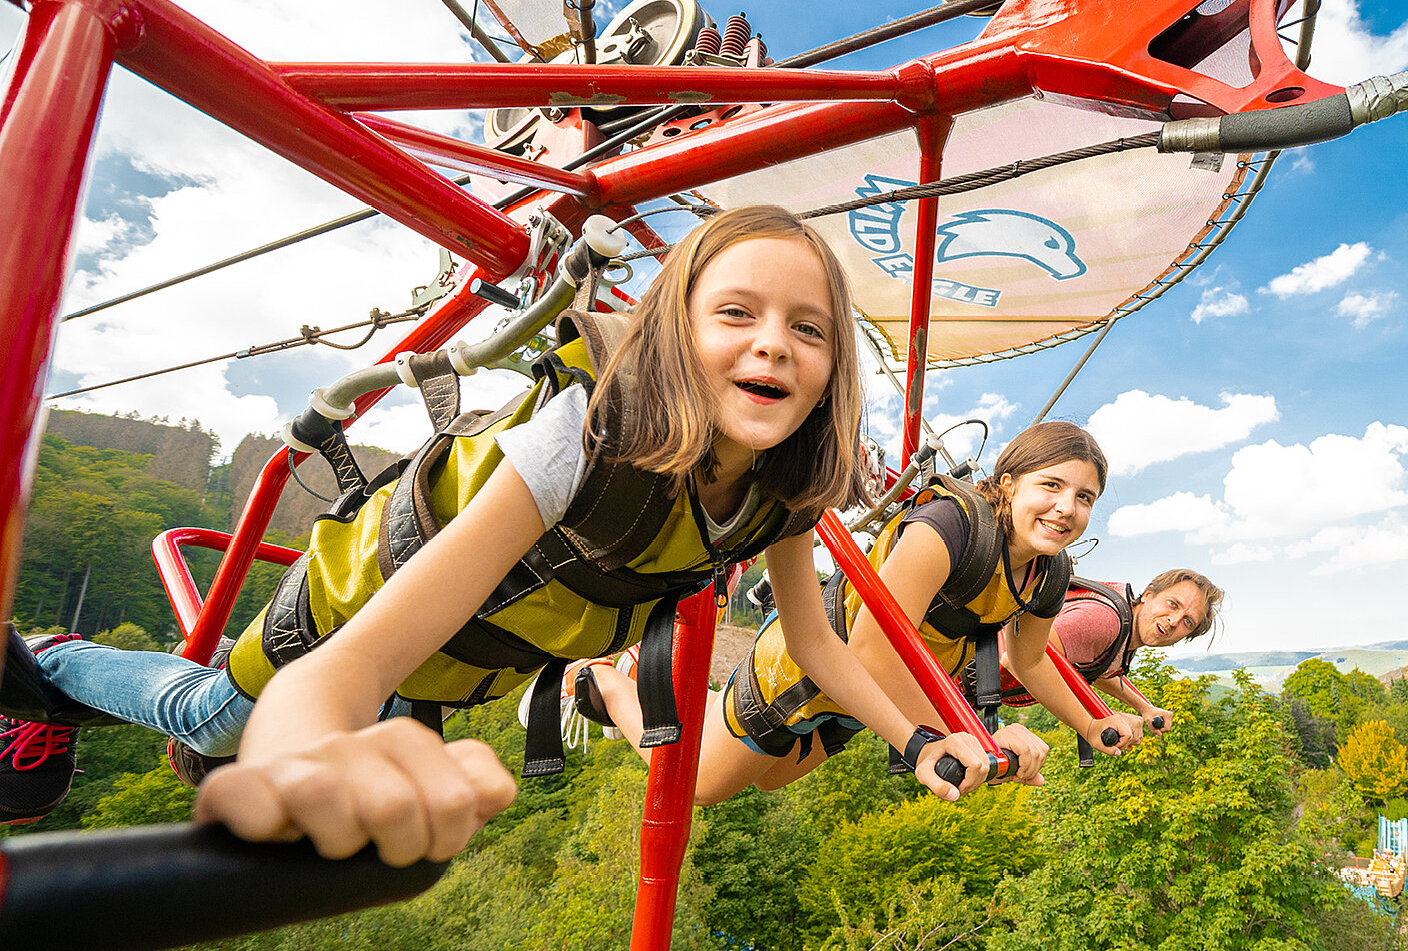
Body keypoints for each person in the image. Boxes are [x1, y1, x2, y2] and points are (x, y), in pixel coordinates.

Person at [0, 206, 995, 859]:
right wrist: (300, 741)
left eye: (809, 328)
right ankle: (50, 659)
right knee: (215, 715)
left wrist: (912, 740)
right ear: (674, 335)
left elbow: (815, 641)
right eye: (736, 311)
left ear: (830, 373)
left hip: (467, 665)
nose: (774, 340)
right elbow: (350, 667)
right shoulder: (587, 440)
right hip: (355, 616)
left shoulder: (783, 494)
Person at [562, 420, 1143, 804]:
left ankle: (704, 704)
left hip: (875, 699)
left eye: (1084, 497)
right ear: (1009, 484)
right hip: (812, 670)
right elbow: (870, 647)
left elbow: (1030, 657)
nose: (1066, 508)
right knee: (697, 787)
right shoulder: (950, 528)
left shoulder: (1049, 572)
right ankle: (610, 684)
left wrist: (1087, 724)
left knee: (770, 778)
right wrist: (969, 733)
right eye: (1052, 486)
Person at [994, 568, 1223, 734]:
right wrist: (1096, 721)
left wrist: (1144, 707)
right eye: (1172, 604)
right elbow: (1018, 659)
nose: (1174, 620)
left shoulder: (1123, 629)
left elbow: (1095, 666)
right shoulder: (1104, 621)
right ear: (1148, 595)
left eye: (1188, 622)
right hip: (964, 676)